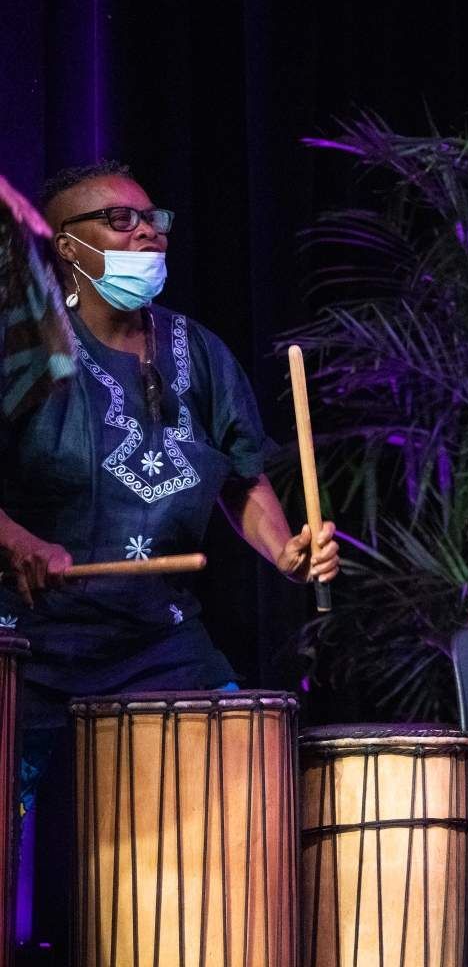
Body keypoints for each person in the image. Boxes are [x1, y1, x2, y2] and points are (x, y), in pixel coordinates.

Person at [1, 161, 340, 808]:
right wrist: (16, 540)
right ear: (67, 245)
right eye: (120, 220)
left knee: (245, 782)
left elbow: (240, 480)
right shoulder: (24, 349)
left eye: (153, 219)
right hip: (29, 638)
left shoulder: (201, 351)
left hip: (159, 636)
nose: (149, 234)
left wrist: (286, 552)